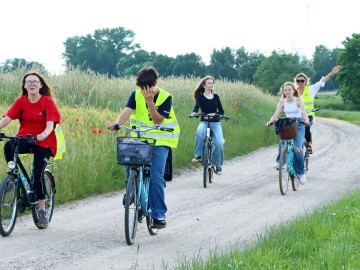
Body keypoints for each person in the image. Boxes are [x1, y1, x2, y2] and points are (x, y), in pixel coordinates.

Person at [108, 67, 180, 229]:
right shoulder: (135, 95)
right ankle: (132, 188)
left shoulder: (165, 97)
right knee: (128, 160)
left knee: (156, 176)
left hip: (161, 140)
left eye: (148, 87)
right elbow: (126, 112)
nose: (145, 91)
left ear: (155, 83)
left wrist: (150, 102)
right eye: (142, 88)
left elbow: (158, 120)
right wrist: (117, 123)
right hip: (140, 139)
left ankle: (158, 215)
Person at [0, 71, 61, 229]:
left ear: (40, 85)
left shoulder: (47, 101)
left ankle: (41, 210)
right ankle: (15, 177)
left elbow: (50, 124)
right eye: (29, 82)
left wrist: (44, 134)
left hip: (44, 141)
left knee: (38, 174)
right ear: (24, 86)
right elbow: (7, 118)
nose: (32, 84)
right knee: (9, 145)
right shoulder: (21, 101)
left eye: (35, 81)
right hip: (25, 138)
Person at [266, 82, 310, 185]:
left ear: (293, 90)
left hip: (299, 124)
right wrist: (271, 121)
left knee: (297, 148)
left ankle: (301, 173)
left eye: (289, 89)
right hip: (288, 123)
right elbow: (275, 115)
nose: (287, 91)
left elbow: (304, 112)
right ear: (283, 92)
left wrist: (306, 120)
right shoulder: (282, 102)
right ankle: (281, 162)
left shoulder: (298, 100)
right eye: (285, 90)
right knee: (282, 141)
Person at [294, 65, 341, 154]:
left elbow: (321, 81)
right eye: (298, 81)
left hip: (308, 115)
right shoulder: (293, 92)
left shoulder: (311, 89)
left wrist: (332, 73)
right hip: (296, 116)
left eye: (302, 81)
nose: (300, 82)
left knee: (306, 127)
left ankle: (308, 144)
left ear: (305, 81)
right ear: (296, 82)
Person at [190, 76, 225, 174]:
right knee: (199, 133)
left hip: (216, 123)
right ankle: (198, 156)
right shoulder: (200, 97)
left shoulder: (216, 97)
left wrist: (214, 114)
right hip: (204, 122)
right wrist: (194, 113)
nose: (211, 84)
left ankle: (217, 165)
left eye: (212, 83)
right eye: (209, 83)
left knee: (219, 143)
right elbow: (196, 108)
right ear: (204, 85)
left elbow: (221, 111)